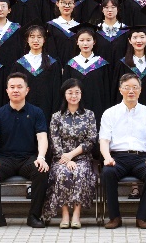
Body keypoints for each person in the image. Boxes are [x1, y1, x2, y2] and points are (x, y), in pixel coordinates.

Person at [0, 74, 50, 228]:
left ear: (27, 90)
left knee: (41, 171)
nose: (15, 90)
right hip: (5, 159)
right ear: (7, 90)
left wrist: (41, 157)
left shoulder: (36, 112)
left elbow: (42, 137)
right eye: (12, 87)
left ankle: (34, 216)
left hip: (28, 159)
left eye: (19, 87)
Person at [99, 73, 146, 229]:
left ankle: (142, 217)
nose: (131, 91)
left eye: (135, 87)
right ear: (120, 90)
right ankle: (114, 217)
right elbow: (104, 140)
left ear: (140, 90)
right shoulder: (110, 113)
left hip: (141, 158)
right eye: (127, 87)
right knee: (107, 172)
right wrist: (107, 157)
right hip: (118, 158)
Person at [45, 79, 98, 229]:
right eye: (70, 92)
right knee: (63, 172)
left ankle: (76, 214)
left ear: (81, 94)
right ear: (64, 94)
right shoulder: (57, 116)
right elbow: (54, 141)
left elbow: (91, 140)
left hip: (83, 158)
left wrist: (72, 155)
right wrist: (66, 159)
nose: (73, 96)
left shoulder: (89, 115)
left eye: (77, 92)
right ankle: (65, 214)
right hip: (61, 159)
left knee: (79, 172)